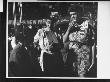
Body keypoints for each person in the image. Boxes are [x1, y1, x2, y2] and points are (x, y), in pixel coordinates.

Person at [63, 4, 95, 77]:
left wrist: (93, 60)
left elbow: (92, 43)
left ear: (80, 13)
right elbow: (64, 41)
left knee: (82, 76)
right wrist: (68, 29)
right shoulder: (70, 25)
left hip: (83, 57)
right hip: (71, 57)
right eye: (71, 15)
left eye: (74, 14)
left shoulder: (88, 25)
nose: (72, 16)